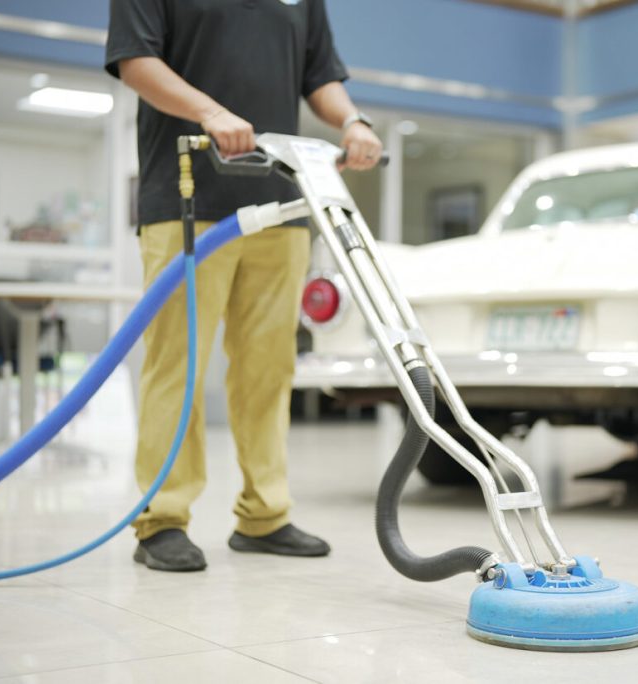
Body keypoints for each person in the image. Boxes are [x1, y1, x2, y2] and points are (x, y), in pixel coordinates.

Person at [105, 0, 382, 572]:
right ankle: (163, 518)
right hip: (187, 199)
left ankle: (264, 515)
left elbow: (319, 75)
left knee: (269, 367)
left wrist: (352, 121)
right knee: (176, 362)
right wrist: (210, 112)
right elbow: (135, 61)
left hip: (280, 202)